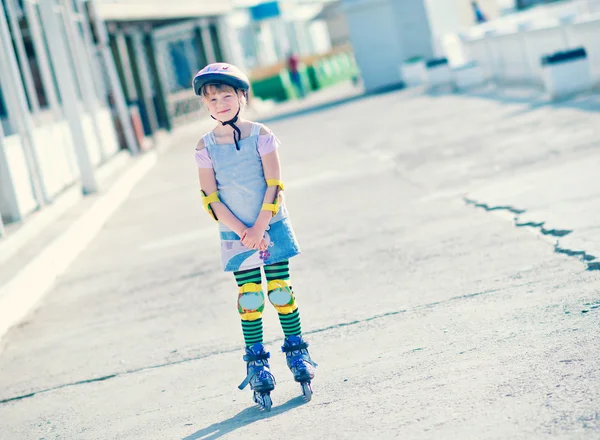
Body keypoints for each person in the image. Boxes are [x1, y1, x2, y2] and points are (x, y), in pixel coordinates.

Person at [192, 63, 317, 410]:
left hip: (271, 224)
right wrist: (243, 232)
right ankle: (257, 363)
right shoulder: (204, 146)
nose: (220, 103)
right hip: (234, 233)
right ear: (205, 104)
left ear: (242, 96)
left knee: (280, 292)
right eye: (212, 98)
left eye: (227, 95)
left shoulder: (261, 134)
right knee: (250, 299)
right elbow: (210, 198)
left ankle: (297, 352)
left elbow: (275, 184)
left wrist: (260, 227)